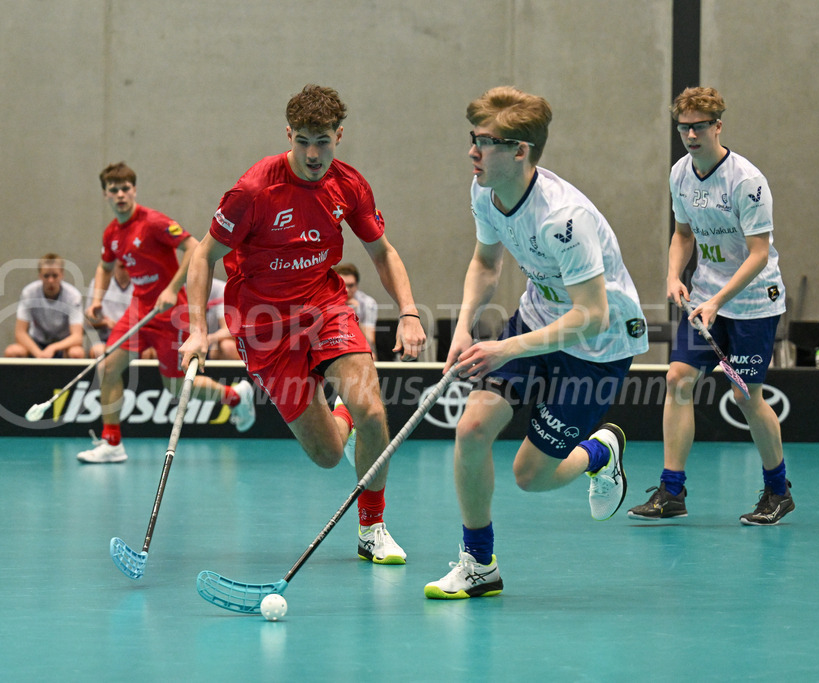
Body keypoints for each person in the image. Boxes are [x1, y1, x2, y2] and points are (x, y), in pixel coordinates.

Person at [179, 84, 427, 565]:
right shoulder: (254, 190)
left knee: (374, 411)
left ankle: (371, 527)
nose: (314, 154)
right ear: (288, 134)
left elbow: (383, 252)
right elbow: (203, 255)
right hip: (264, 328)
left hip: (325, 308)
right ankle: (345, 414)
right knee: (329, 454)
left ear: (340, 136)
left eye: (324, 141)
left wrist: (410, 311)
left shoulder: (349, 185)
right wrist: (195, 329)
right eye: (304, 141)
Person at [424, 87, 648, 599]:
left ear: (520, 151)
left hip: (597, 348)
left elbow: (592, 316)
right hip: (537, 320)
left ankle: (598, 454)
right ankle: (479, 563)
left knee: (531, 475)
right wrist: (463, 328)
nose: (472, 152)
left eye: (486, 141)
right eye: (472, 138)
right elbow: (486, 262)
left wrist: (504, 348)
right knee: (472, 429)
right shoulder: (486, 190)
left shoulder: (566, 221)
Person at [627, 87, 792, 525]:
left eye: (699, 126)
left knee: (744, 395)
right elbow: (683, 235)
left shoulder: (745, 181)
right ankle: (671, 491)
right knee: (678, 378)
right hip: (705, 301)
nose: (690, 134)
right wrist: (672, 275)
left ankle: (778, 490)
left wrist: (719, 299)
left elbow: (759, 253)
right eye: (683, 127)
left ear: (718, 125)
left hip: (753, 304)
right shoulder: (680, 174)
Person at [76, 162, 255, 464]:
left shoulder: (153, 222)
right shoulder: (112, 234)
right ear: (106, 195)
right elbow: (105, 266)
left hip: (173, 314)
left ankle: (235, 396)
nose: (120, 194)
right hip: (138, 312)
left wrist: (172, 288)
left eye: (125, 188)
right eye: (113, 190)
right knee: (107, 368)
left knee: (174, 386)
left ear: (133, 190)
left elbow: (194, 247)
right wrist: (97, 299)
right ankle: (112, 443)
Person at [5, 254, 86, 359]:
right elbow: (20, 333)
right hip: (37, 343)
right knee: (12, 351)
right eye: (46, 276)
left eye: (55, 276)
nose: (50, 281)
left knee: (77, 353)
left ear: (62, 275)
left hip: (62, 346)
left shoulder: (73, 296)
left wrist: (53, 348)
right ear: (40, 276)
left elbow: (77, 337)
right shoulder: (29, 293)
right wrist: (38, 353)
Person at [84, 261, 156, 360]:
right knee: (98, 351)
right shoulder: (98, 284)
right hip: (108, 339)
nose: (124, 260)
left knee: (148, 353)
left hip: (136, 338)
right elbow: (88, 322)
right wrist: (104, 323)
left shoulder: (143, 285)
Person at [333, 263, 379, 358]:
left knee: (372, 356)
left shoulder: (368, 303)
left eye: (351, 285)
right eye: (342, 285)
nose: (346, 290)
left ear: (357, 285)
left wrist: (355, 315)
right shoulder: (325, 301)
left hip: (356, 345)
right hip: (331, 345)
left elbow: (370, 342)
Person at [205, 277, 241, 361]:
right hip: (186, 343)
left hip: (212, 346)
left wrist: (208, 339)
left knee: (228, 346)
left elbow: (229, 330)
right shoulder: (179, 289)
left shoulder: (220, 289)